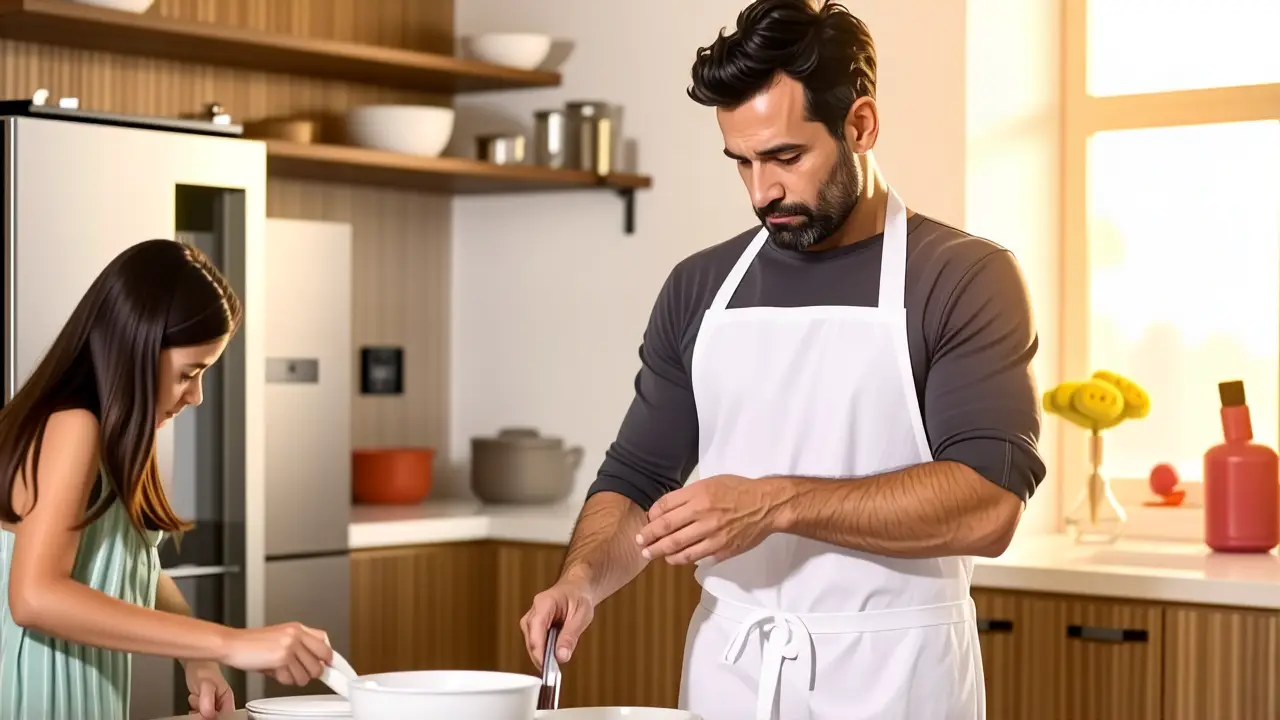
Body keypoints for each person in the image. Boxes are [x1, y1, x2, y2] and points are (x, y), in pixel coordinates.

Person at [519, 1, 1046, 718]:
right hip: (730, 677)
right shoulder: (700, 287)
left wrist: (775, 504)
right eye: (742, 162)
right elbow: (638, 479)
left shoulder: (963, 277)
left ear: (860, 125)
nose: (762, 191)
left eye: (785, 158)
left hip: (895, 679)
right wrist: (581, 579)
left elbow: (988, 504)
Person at [0, 240, 334, 720]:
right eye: (188, 374)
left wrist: (196, 656)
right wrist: (229, 643)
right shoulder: (72, 426)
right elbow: (35, 597)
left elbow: (135, 564)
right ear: (134, 350)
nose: (196, 396)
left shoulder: (114, 437)